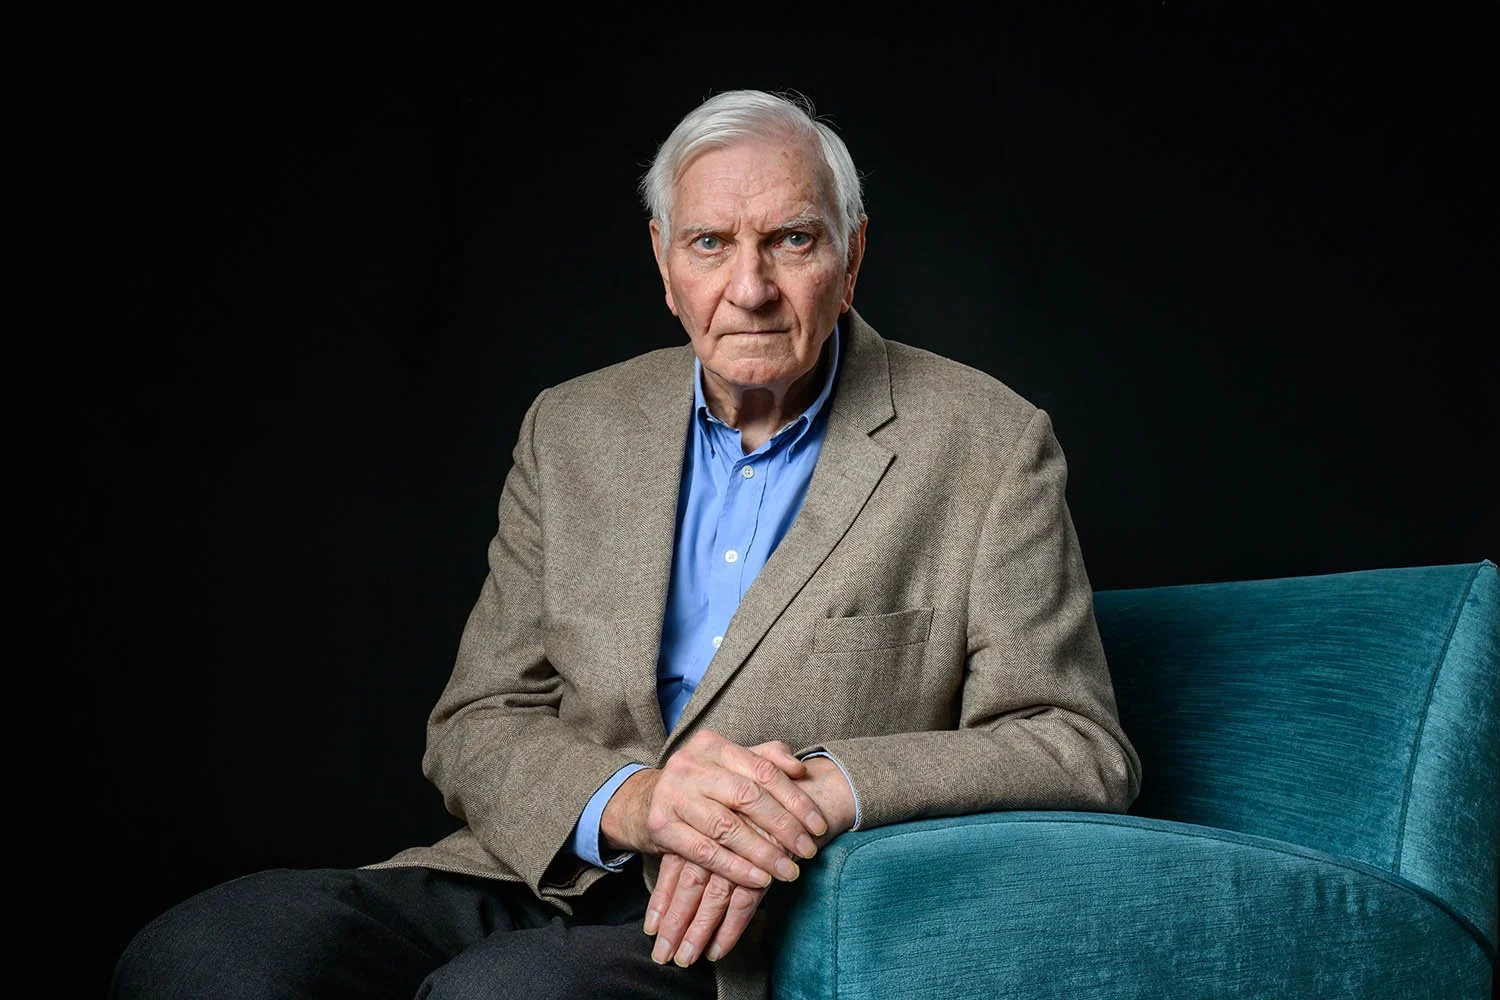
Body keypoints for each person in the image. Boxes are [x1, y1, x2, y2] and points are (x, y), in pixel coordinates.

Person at [111, 87, 1141, 1000]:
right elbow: (476, 717)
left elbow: (1078, 744)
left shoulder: (989, 443)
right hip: (537, 863)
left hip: (751, 923)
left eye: (791, 239)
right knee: (206, 951)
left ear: (852, 255)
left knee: (503, 996)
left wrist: (816, 787)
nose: (749, 287)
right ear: (663, 263)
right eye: (709, 244)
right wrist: (640, 804)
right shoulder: (572, 426)